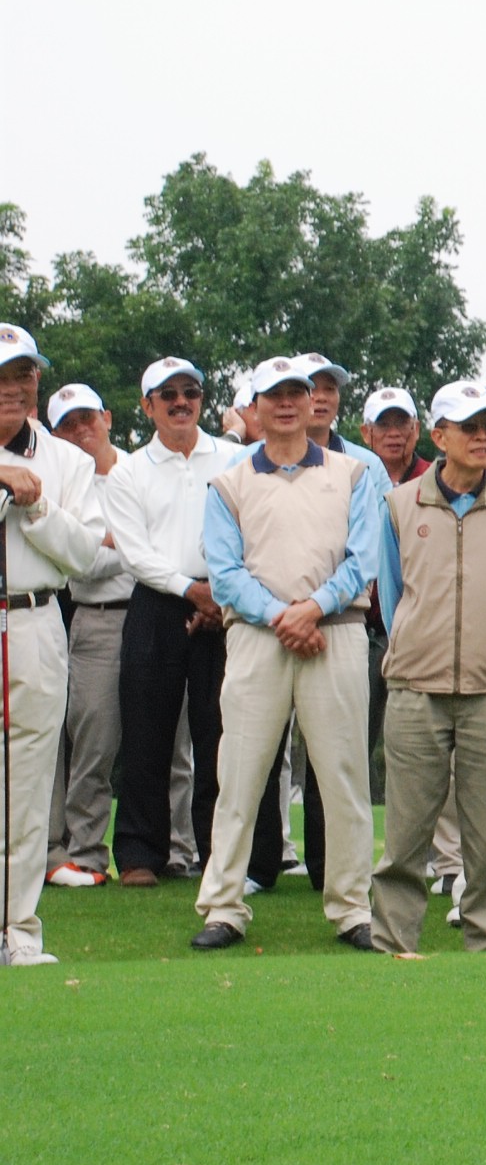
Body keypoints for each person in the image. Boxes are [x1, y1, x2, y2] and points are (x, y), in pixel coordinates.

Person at [188, 355, 384, 952]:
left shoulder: (353, 473)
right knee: (239, 775)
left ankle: (352, 907)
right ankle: (223, 905)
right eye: (274, 395)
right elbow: (225, 573)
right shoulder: (229, 482)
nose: (288, 403)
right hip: (257, 635)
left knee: (344, 775)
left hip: (336, 631)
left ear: (311, 400)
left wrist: (313, 608)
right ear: (255, 406)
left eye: (297, 392)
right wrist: (285, 616)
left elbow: (364, 559)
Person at [367, 381, 486, 954]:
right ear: (439, 435)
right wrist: (421, 644)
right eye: (469, 426)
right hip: (415, 687)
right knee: (405, 835)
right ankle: (394, 942)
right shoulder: (400, 505)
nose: (483, 436)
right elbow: (392, 599)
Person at [102, 356, 243, 889]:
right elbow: (135, 553)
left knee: (219, 732)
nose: (181, 402)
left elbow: (248, 531)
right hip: (158, 603)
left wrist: (217, 595)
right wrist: (190, 591)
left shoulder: (232, 459)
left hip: (223, 604)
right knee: (146, 731)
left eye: (191, 392)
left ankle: (218, 852)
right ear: (148, 406)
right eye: (169, 395)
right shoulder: (129, 471)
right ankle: (140, 852)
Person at [0, 325, 105, 965]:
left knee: (29, 788)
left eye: (23, 373)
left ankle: (18, 931)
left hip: (36, 619)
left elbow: (85, 555)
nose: (13, 387)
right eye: (1, 375)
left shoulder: (68, 462)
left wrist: (37, 508)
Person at [302, 384, 432, 892]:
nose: (395, 434)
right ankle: (327, 865)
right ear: (367, 430)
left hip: (412, 633)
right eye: (385, 425)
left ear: (417, 430)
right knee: (342, 748)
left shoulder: (432, 477)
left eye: (403, 424)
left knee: (413, 753)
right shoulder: (358, 468)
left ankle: (415, 859)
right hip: (355, 626)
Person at [42, 384, 132, 887]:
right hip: (94, 615)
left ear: (107, 418)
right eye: (67, 425)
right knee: (92, 740)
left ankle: (178, 848)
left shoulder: (139, 471)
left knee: (173, 747)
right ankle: (82, 853)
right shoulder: (62, 480)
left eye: (87, 419)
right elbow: (80, 564)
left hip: (155, 611)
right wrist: (139, 547)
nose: (80, 431)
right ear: (55, 434)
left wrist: (116, 543)